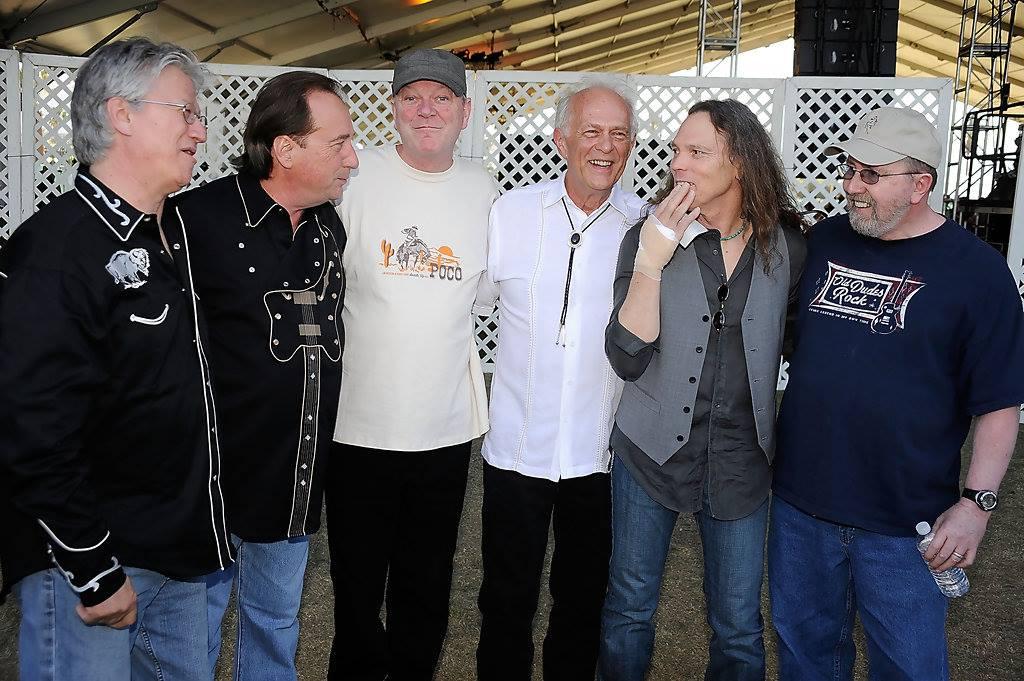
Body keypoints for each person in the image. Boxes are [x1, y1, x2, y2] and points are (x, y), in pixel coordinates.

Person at [0, 38, 232, 680]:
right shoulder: (56, 252)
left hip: (176, 555)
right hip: (92, 569)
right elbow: (32, 431)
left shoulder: (168, 236)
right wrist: (94, 571)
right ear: (121, 114)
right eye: (185, 112)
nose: (199, 130)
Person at [769, 106, 1024, 680]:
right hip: (801, 506)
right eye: (849, 170)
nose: (851, 187)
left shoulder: (978, 273)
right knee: (805, 661)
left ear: (920, 184)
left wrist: (976, 504)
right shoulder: (826, 241)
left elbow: (999, 404)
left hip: (906, 523)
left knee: (908, 668)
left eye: (871, 175)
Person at [599, 99, 807, 681]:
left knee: (739, 625)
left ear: (739, 161)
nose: (678, 164)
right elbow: (626, 356)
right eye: (676, 151)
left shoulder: (787, 245)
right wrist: (652, 260)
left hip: (743, 458)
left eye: (696, 152)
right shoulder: (646, 236)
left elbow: (803, 343)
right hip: (650, 451)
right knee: (629, 608)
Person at [172, 71, 358, 680]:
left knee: (276, 623)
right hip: (210, 481)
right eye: (339, 142)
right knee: (192, 631)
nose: (353, 158)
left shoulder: (328, 227)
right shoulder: (194, 221)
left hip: (295, 476)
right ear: (285, 148)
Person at [326, 48, 498, 680]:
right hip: (357, 425)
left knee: (426, 584)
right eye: (412, 97)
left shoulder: (484, 188)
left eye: (442, 98)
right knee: (356, 584)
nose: (427, 110)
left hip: (443, 428)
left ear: (465, 112)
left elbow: (491, 291)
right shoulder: (355, 174)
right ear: (393, 108)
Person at [473, 76, 646, 681]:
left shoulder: (644, 226)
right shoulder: (512, 213)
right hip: (515, 449)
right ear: (560, 139)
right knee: (504, 599)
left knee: (582, 603)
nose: (606, 146)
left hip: (598, 456)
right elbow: (479, 300)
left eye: (619, 135)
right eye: (591, 131)